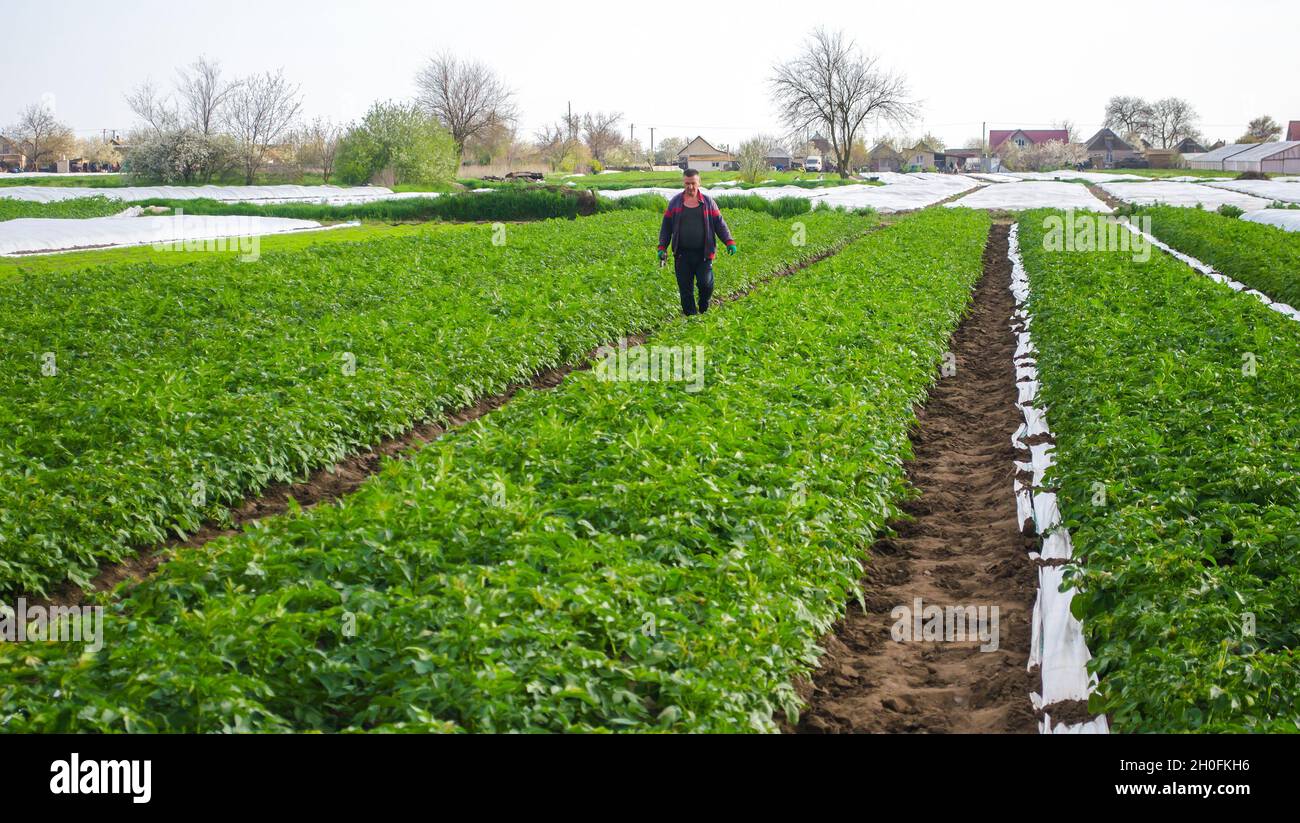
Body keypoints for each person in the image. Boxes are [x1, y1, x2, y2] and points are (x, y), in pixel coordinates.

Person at [657, 169, 737, 316]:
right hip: (682, 254)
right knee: (685, 289)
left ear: (699, 183)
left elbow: (719, 224)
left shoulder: (708, 202)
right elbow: (666, 227)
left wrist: (729, 241)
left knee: (705, 284)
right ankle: (691, 319)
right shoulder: (675, 202)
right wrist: (662, 247)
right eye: (687, 183)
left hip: (704, 253)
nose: (690, 187)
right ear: (683, 183)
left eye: (693, 183)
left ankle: (704, 304)